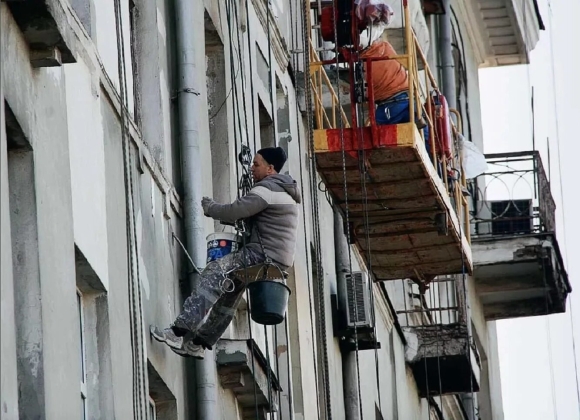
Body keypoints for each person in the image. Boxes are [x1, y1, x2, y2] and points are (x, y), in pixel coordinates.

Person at [150, 147, 301, 358]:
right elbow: (248, 216)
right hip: (277, 259)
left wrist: (210, 207)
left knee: (215, 272)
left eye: (256, 164)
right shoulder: (284, 192)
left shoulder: (268, 189)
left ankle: (178, 331)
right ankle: (199, 343)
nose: (252, 168)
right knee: (230, 291)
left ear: (270, 168)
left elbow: (234, 211)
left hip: (262, 254)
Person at [359, 26, 430, 148]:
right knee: (425, 137)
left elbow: (367, 92)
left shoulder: (366, 62)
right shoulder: (385, 48)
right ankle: (433, 158)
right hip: (407, 102)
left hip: (391, 106)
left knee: (373, 141)